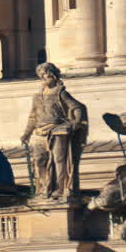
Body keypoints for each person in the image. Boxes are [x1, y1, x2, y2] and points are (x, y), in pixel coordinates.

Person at [22, 62, 88, 201]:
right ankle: (43, 189)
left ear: (54, 76)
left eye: (47, 76)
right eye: (42, 76)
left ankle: (60, 188)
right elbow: (33, 116)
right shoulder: (37, 96)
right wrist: (26, 134)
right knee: (39, 160)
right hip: (40, 131)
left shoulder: (61, 93)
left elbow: (77, 107)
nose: (44, 79)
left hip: (58, 130)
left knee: (59, 160)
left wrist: (76, 121)